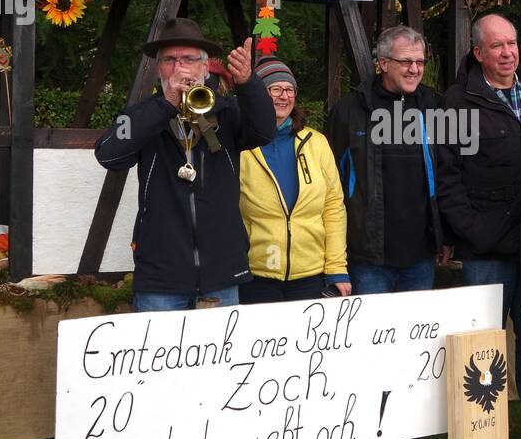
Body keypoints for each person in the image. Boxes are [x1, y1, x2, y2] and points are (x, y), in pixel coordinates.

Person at [437, 13, 521, 439]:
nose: (508, 53)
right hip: (486, 249)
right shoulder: (455, 103)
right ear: (478, 53)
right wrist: (471, 229)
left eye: (512, 43)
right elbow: (446, 175)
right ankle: (480, 437)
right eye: (497, 46)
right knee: (482, 347)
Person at [94, 18, 273, 311]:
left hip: (222, 276)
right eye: (169, 60)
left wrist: (248, 83)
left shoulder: (227, 112)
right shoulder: (142, 115)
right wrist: (164, 104)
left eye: (189, 59)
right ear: (158, 68)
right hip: (161, 281)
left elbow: (265, 130)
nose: (179, 68)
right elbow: (109, 154)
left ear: (204, 67)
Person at [327, 25, 447, 295]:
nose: (414, 69)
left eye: (419, 62)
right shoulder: (349, 110)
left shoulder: (434, 106)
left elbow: (446, 175)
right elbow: (330, 185)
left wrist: (444, 236)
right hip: (368, 258)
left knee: (418, 336)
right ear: (382, 63)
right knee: (370, 337)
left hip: (421, 256)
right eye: (405, 61)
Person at [238, 57, 351, 304]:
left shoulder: (316, 142)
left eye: (289, 89)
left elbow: (333, 208)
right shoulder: (241, 146)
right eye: (274, 89)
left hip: (311, 277)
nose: (283, 96)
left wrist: (336, 268)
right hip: (255, 276)